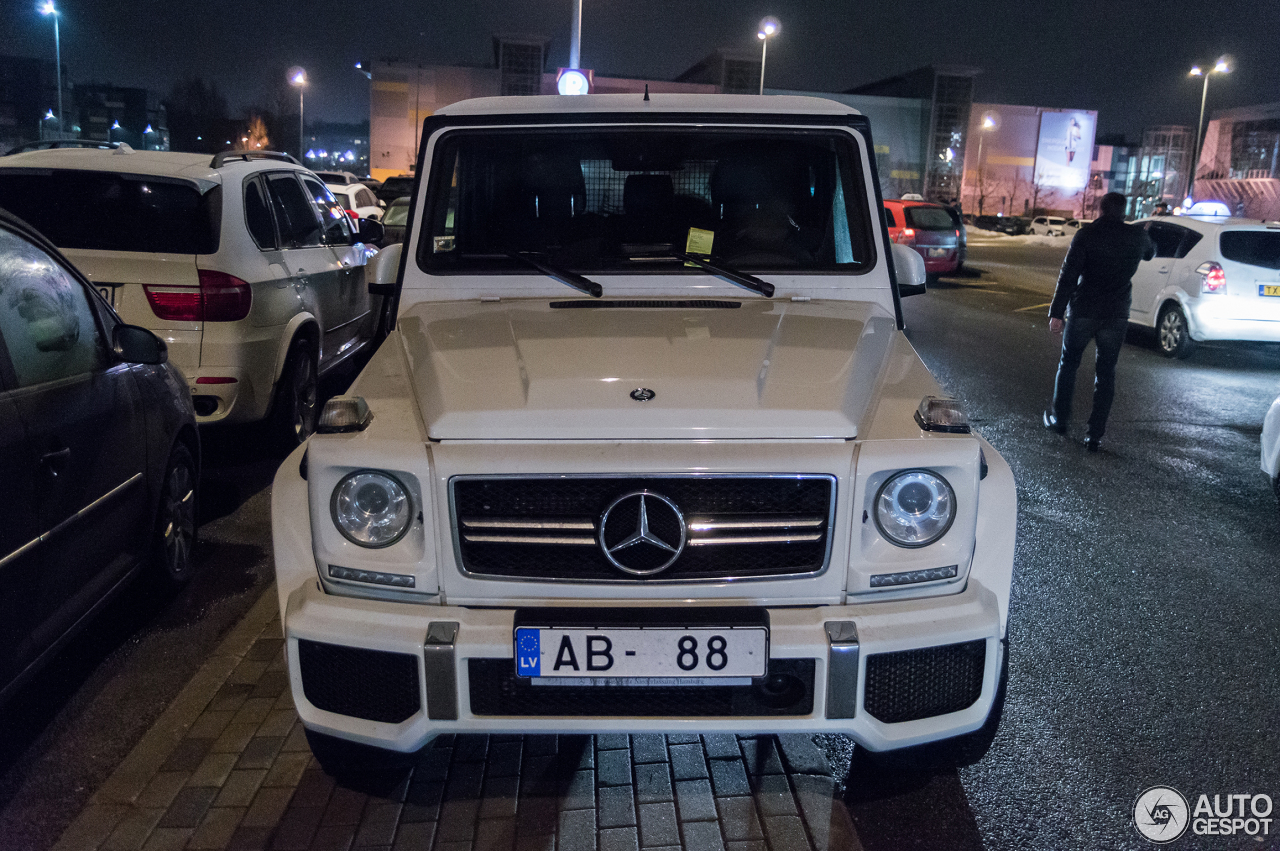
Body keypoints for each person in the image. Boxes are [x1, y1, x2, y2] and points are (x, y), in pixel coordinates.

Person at [1043, 191, 1155, 451]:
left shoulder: (1087, 235)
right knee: (1106, 372)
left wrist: (1057, 312)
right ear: (1124, 211)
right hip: (1116, 313)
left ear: (1100, 210)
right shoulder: (1136, 236)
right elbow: (1150, 253)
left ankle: (1060, 420)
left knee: (1069, 364)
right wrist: (1145, 232)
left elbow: (1068, 275)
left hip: (1084, 309)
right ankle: (1094, 434)